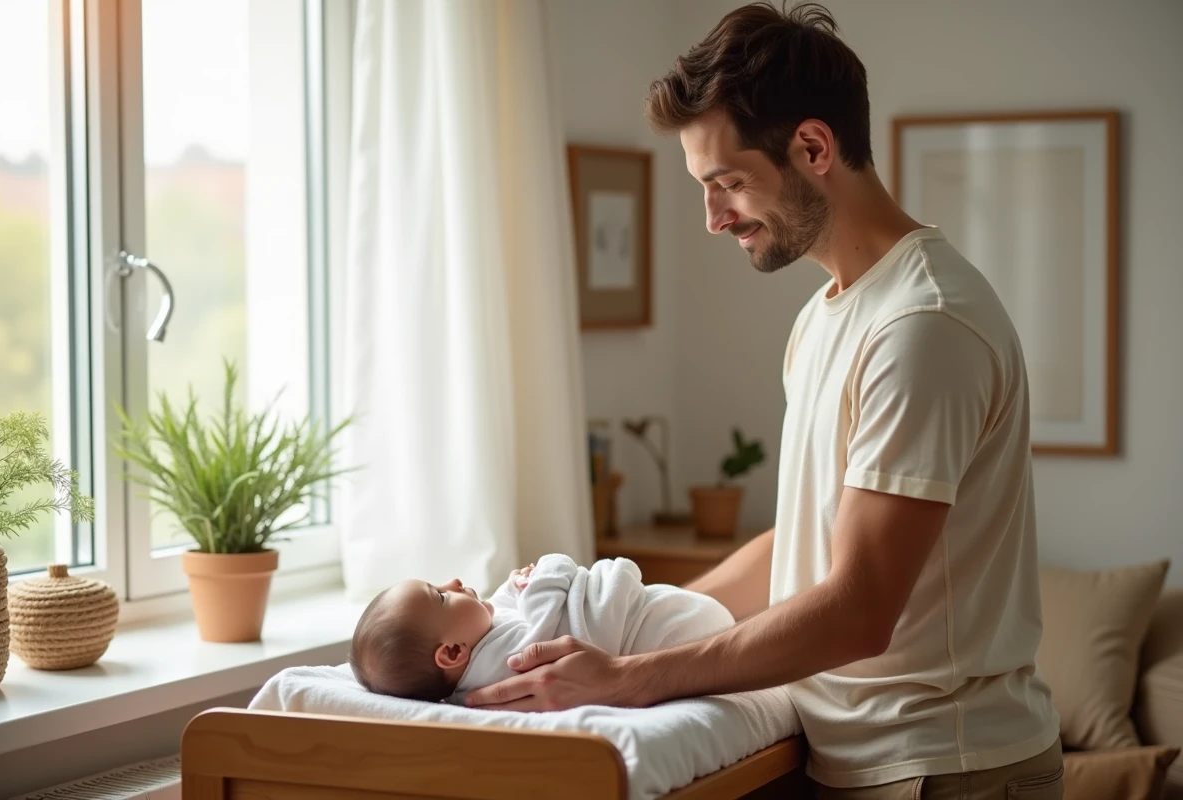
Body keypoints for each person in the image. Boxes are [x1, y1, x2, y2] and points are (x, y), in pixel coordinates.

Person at [464, 2, 1064, 796]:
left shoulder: (925, 325)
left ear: (813, 147)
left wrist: (637, 677)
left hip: (945, 769)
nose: (713, 219)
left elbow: (858, 607)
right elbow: (809, 542)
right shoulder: (827, 317)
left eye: (729, 183)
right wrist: (619, 621)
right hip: (858, 760)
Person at [348, 555, 733, 703]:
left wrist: (515, 586)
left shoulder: (479, 652)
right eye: (441, 597)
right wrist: (548, 572)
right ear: (451, 653)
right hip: (671, 631)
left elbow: (502, 613)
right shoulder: (508, 658)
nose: (452, 582)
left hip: (689, 626)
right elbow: (555, 622)